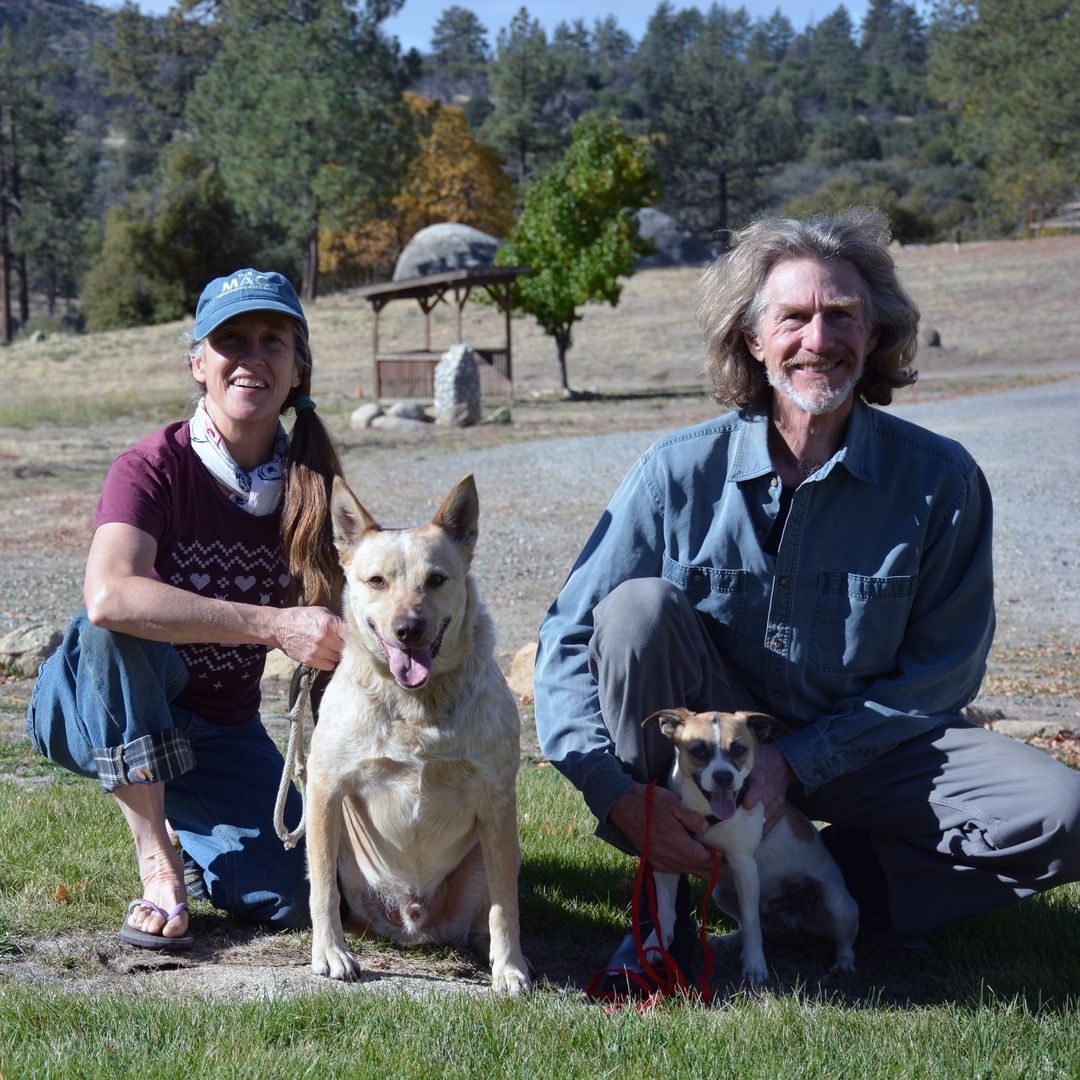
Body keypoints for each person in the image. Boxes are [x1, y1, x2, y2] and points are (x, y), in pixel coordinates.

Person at [533, 208, 1080, 980]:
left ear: (876, 332)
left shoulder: (941, 480)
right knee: (635, 611)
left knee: (1064, 814)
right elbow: (567, 635)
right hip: (709, 744)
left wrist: (797, 759)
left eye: (842, 315)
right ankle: (667, 910)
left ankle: (850, 897)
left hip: (870, 742)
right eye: (793, 317)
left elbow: (946, 669)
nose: (818, 339)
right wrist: (611, 790)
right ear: (753, 340)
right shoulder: (673, 472)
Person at [25, 269, 347, 949]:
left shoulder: (312, 488)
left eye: (273, 340)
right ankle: (159, 863)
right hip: (96, 707)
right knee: (115, 625)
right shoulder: (150, 468)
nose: (251, 356)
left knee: (301, 894)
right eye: (230, 340)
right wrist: (272, 624)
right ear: (198, 363)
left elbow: (337, 640)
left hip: (224, 732)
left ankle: (191, 835)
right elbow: (110, 594)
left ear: (298, 369)